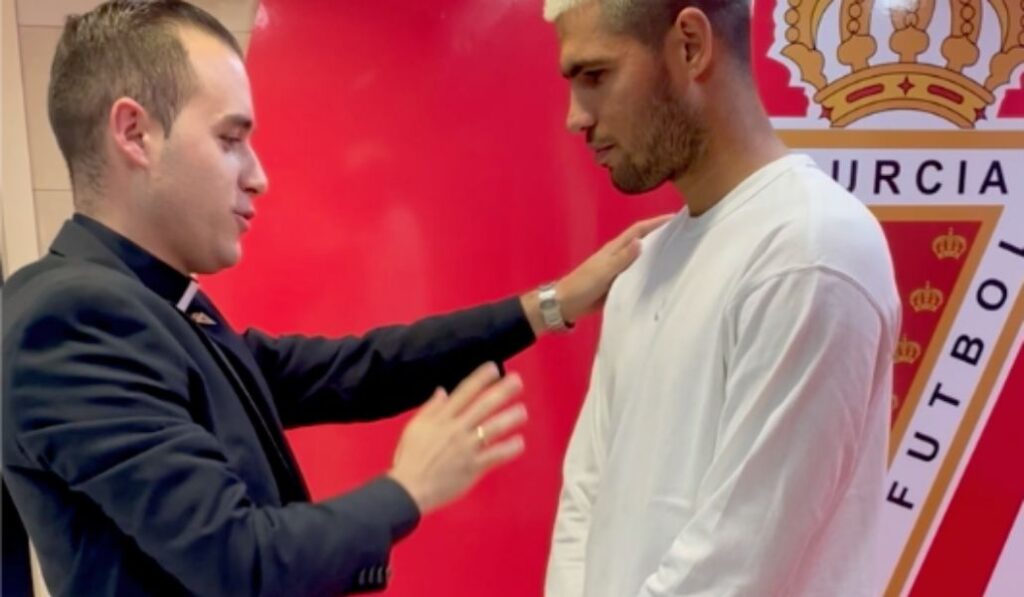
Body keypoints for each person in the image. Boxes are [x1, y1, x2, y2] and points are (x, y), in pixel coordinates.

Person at [0, 2, 666, 596]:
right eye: (231, 139)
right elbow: (241, 563)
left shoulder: (151, 305)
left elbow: (355, 369)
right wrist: (409, 487)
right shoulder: (71, 319)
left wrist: (552, 304)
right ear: (134, 133)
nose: (257, 176)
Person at [542, 1, 902, 596]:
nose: (575, 118)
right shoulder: (643, 267)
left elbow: (736, 565)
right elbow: (585, 498)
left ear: (689, 45)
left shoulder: (810, 250)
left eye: (596, 76)